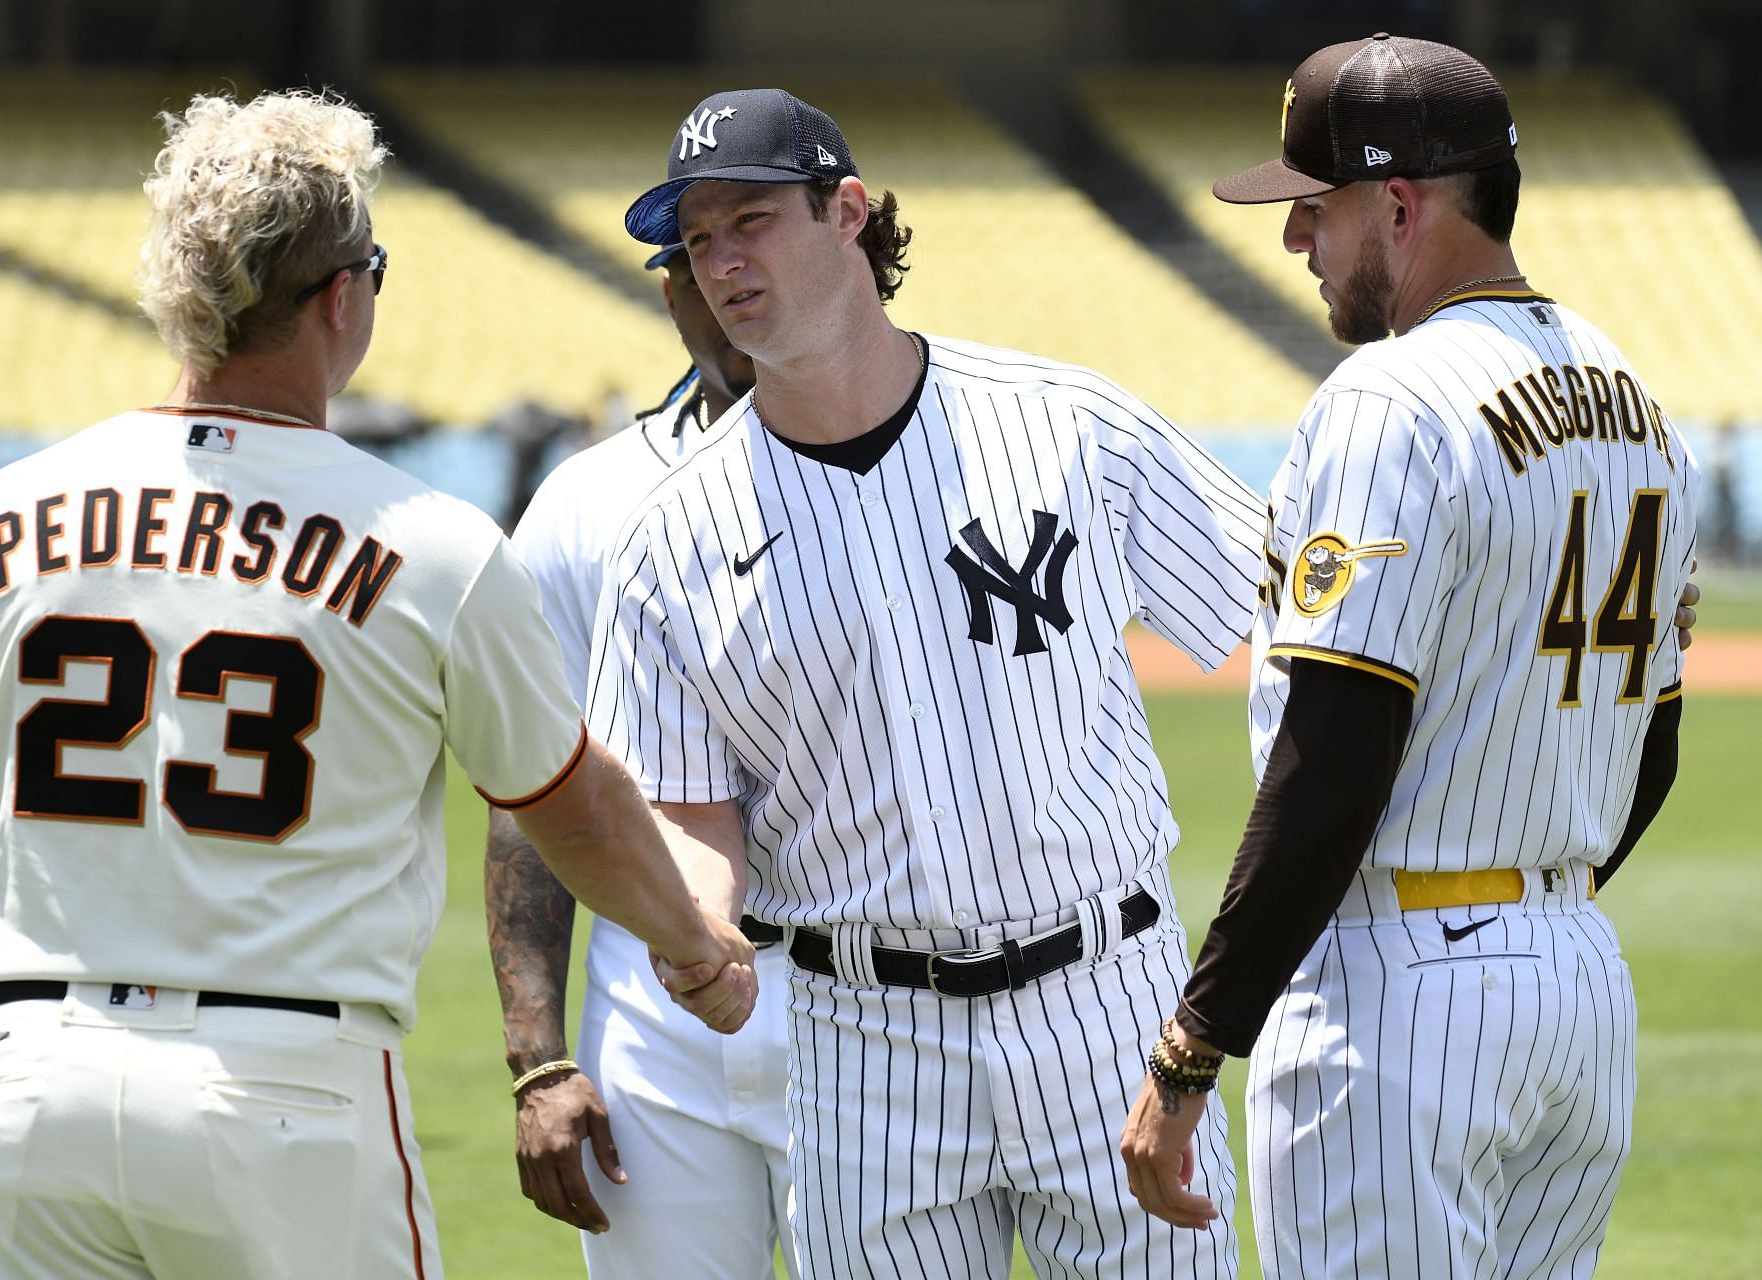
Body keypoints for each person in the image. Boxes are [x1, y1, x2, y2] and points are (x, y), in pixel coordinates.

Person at [0, 88, 753, 1280]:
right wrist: (692, 943)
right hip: (286, 1086)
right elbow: (571, 801)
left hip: (41, 1071)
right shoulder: (427, 538)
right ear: (343, 293)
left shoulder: (3, 512)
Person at [592, 87, 1260, 1278]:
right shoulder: (669, 536)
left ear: (846, 211)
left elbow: (1299, 625)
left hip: (1106, 996)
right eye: (697, 241)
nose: (722, 262)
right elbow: (692, 816)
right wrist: (696, 924)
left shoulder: (1069, 426)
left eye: (749, 220)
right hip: (863, 1029)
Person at [1118, 35, 1699, 1279]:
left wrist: (1190, 1046)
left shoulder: (1389, 399)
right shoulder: (1632, 394)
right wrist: (1536, 903)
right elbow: (1653, 742)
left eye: (1313, 207)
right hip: (1576, 979)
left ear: (1398, 202)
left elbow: (1335, 756)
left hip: (1402, 991)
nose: (1293, 240)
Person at [485, 240, 798, 1277]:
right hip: (652, 1025)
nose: (737, 288)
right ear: (672, 291)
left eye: (763, 246)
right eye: (704, 260)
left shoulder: (929, 470)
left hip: (877, 1012)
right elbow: (531, 788)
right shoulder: (584, 503)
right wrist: (538, 1059)